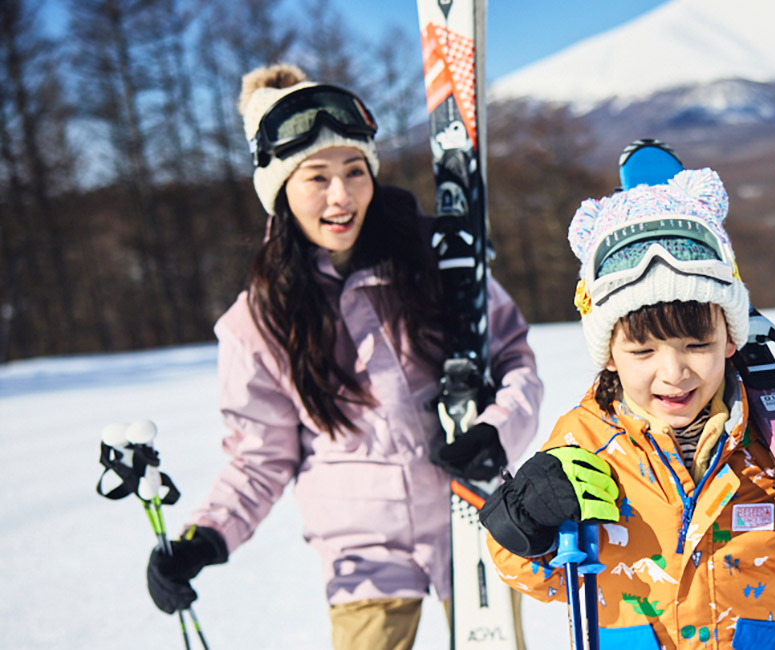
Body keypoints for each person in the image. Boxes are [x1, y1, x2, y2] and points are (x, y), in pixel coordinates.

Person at [142, 63, 543, 650]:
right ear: (280, 190)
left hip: (470, 516)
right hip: (361, 552)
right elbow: (258, 458)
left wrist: (497, 432)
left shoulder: (435, 260)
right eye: (317, 177)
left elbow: (514, 360)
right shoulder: (259, 321)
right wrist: (205, 536)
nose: (341, 196)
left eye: (355, 171)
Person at [478, 167, 775, 650]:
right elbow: (527, 571)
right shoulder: (585, 442)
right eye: (643, 351)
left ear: (729, 339)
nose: (673, 372)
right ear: (609, 355)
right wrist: (524, 518)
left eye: (696, 345)